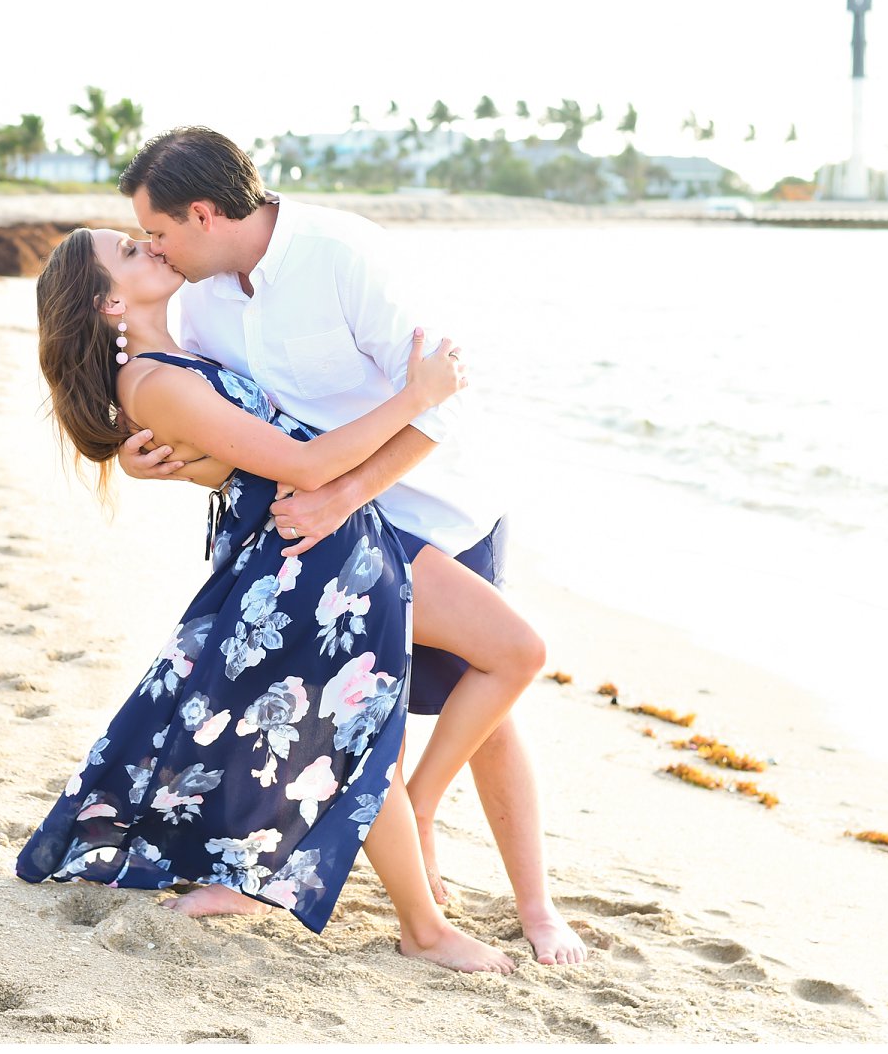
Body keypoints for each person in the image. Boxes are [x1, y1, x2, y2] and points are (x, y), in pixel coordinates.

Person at [115, 127, 589, 966]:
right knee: (368, 711)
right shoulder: (202, 299)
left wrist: (341, 494)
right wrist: (155, 463)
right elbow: (234, 430)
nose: (153, 247)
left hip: (434, 512)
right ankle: (363, 867)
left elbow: (441, 400)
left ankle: (531, 900)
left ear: (202, 212)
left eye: (158, 231)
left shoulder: (344, 255)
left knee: (487, 707)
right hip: (322, 530)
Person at [15, 225, 525, 973]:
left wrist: (160, 463)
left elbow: (235, 451)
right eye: (129, 251)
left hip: (335, 537)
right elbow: (304, 461)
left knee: (446, 683)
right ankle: (422, 927)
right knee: (358, 733)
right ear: (107, 303)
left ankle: (314, 870)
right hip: (304, 555)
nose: (149, 247)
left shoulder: (180, 354)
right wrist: (420, 397)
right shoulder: (155, 383)